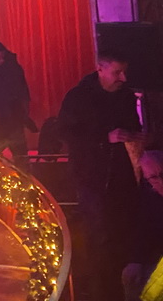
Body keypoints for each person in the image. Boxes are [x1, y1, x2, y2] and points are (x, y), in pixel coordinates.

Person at [58, 48, 144, 301]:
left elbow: (132, 125)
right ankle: (99, 291)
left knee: (121, 232)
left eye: (124, 72)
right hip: (91, 176)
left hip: (122, 174)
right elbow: (64, 133)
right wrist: (104, 139)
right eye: (117, 72)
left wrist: (135, 136)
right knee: (99, 235)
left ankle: (118, 288)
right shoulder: (78, 97)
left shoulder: (126, 96)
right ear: (100, 68)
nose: (123, 78)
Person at [124, 150, 163, 300]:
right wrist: (136, 261)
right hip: (157, 257)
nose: (161, 181)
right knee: (131, 277)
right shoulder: (150, 198)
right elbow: (144, 231)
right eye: (154, 177)